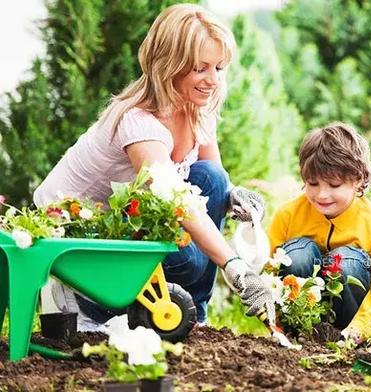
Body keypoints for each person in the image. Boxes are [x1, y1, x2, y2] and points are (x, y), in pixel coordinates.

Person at [33, 4, 275, 329]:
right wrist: (236, 268)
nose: (212, 80)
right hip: (81, 243)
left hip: (132, 219)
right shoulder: (138, 122)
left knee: (213, 181)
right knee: (189, 257)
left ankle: (194, 316)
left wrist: (236, 198)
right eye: (200, 68)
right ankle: (95, 304)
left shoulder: (196, 106)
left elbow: (211, 177)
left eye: (219, 67)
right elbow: (178, 200)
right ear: (169, 65)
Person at [267, 122, 371, 340]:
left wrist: (358, 330)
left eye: (334, 185)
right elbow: (267, 273)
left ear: (358, 180)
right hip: (300, 315)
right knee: (296, 256)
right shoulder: (288, 215)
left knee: (345, 261)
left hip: (349, 324)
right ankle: (298, 332)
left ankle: (339, 336)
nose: (322, 195)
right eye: (313, 183)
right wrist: (277, 325)